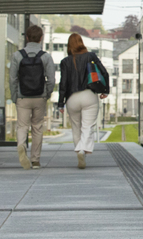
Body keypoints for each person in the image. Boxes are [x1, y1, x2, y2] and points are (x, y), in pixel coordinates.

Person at [57, 33, 109, 169]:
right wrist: (105, 91)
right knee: (87, 127)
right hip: (89, 95)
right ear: (82, 43)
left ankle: (80, 152)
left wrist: (60, 103)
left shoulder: (65, 61)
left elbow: (63, 84)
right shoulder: (90, 56)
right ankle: (82, 150)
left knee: (76, 128)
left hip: (72, 98)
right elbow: (104, 73)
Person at [9, 24, 55, 170]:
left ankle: (21, 145)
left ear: (27, 38)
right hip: (39, 97)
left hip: (23, 97)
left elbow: (12, 79)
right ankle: (35, 160)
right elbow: (51, 79)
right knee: (37, 127)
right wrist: (46, 94)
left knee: (22, 126)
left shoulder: (17, 55)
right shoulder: (46, 57)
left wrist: (15, 96)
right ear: (41, 38)